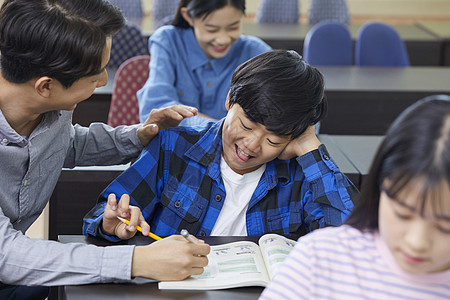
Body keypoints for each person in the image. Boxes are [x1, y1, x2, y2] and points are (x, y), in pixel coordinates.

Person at [0, 0, 209, 299]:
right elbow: (6, 255)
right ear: (45, 86)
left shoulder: (51, 107)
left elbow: (65, 144)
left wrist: (139, 135)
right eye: (94, 75)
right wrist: (138, 261)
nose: (105, 80)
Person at [83, 50, 358, 243]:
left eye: (273, 140)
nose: (251, 145)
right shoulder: (174, 146)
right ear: (229, 100)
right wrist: (113, 224)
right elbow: (101, 214)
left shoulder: (302, 172)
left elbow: (351, 241)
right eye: (246, 125)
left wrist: (310, 147)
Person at [260, 95, 450, 300]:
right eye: (402, 214)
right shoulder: (319, 258)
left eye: (444, 226)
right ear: (379, 187)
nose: (417, 242)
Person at [137, 0, 272, 126]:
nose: (222, 40)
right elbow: (156, 107)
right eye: (211, 29)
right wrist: (223, 129)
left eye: (233, 27)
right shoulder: (167, 41)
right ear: (188, 16)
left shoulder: (255, 51)